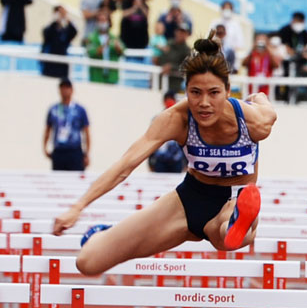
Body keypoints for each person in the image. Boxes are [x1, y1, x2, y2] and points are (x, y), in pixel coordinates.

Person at [52, 41, 275, 267]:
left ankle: (236, 222)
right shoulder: (175, 119)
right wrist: (78, 207)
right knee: (88, 263)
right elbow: (125, 165)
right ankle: (107, 235)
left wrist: (258, 99)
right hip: (189, 200)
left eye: (214, 93)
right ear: (185, 90)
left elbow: (267, 109)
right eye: (195, 93)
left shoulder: (252, 121)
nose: (204, 103)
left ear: (228, 91)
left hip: (234, 199)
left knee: (227, 235)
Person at [44, 79, 90, 171]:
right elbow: (48, 130)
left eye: (67, 87)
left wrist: (86, 154)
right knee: (58, 180)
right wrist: (45, 148)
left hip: (75, 151)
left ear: (72, 90)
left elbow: (86, 132)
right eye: (62, 88)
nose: (65, 90)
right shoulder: (54, 109)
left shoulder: (79, 110)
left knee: (76, 180)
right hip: (59, 151)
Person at [40, 4, 78, 80]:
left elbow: (74, 32)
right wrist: (55, 22)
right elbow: (47, 35)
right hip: (49, 63)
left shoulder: (66, 31)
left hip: (62, 63)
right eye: (58, 13)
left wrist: (67, 19)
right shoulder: (50, 28)